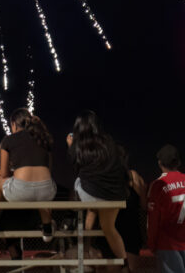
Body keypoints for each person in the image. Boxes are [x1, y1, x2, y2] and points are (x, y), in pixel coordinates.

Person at [0, 108, 56, 243]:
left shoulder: (9, 140)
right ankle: (47, 228)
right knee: (40, 192)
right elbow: (49, 169)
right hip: (47, 190)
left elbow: (4, 174)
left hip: (21, 191)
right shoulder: (42, 138)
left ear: (14, 124)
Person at [66, 111, 129, 268]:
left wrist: (71, 146)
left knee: (78, 182)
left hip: (92, 195)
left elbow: (77, 168)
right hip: (115, 194)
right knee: (109, 227)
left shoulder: (78, 145)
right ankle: (125, 263)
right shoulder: (109, 141)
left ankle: (71, 217)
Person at [147, 145, 185, 273]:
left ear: (160, 163)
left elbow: (153, 219)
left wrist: (152, 242)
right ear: (178, 162)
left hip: (167, 243)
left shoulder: (157, 185)